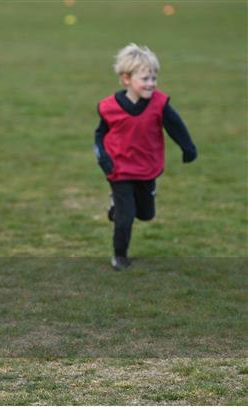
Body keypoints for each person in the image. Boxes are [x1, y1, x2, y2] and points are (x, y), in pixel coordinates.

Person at [93, 43, 197, 271]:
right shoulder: (109, 107)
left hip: (147, 167)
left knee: (147, 214)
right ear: (126, 79)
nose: (151, 84)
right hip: (119, 168)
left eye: (153, 78)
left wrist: (187, 147)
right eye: (145, 79)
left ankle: (116, 207)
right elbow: (100, 135)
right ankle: (119, 256)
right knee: (126, 217)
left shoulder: (159, 104)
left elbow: (175, 126)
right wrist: (104, 159)